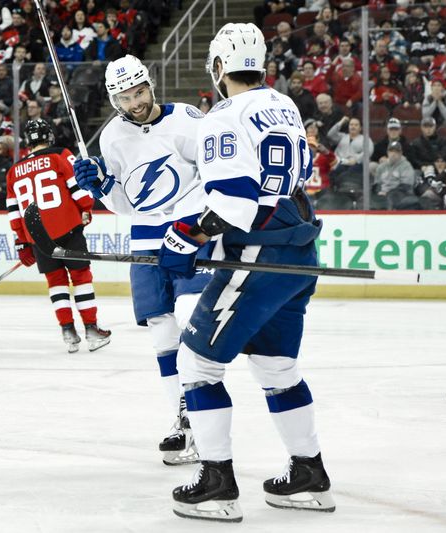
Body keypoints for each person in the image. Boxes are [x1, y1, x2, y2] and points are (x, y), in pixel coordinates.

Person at [157, 23, 335, 522]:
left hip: (257, 255)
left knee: (196, 367)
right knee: (277, 368)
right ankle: (309, 474)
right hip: (298, 252)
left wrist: (184, 235)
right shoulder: (284, 104)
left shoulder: (223, 115)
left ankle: (217, 484)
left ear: (218, 67)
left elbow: (235, 203)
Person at [73, 55, 210, 466]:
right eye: (125, 98)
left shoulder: (186, 118)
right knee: (161, 332)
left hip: (189, 230)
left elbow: (214, 172)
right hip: (146, 236)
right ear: (114, 100)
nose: (135, 103)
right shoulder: (112, 137)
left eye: (139, 92)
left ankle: (202, 417)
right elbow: (125, 201)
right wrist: (100, 187)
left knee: (190, 315)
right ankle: (182, 422)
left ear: (149, 85)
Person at [6, 119, 110, 353]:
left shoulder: (13, 171)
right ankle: (92, 330)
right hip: (68, 228)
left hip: (38, 237)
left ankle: (68, 332)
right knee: (81, 277)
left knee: (56, 282)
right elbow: (76, 186)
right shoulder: (59, 155)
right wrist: (85, 208)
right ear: (49, 137)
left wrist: (23, 242)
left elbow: (14, 211)